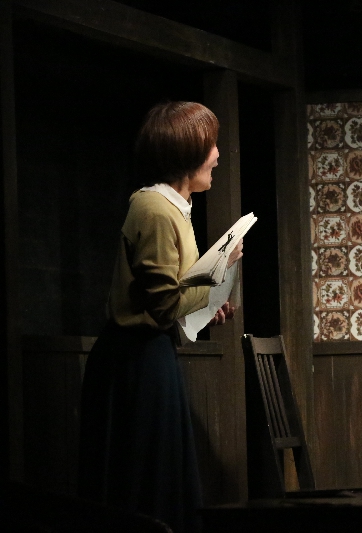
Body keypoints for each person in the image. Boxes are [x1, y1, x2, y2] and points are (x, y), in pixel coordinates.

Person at [77, 101, 243, 532]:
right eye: (211, 145)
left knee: (160, 480)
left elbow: (172, 297)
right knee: (142, 485)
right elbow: (163, 304)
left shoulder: (175, 207)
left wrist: (209, 305)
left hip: (152, 354)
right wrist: (219, 270)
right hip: (133, 362)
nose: (218, 155)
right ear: (187, 153)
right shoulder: (153, 208)